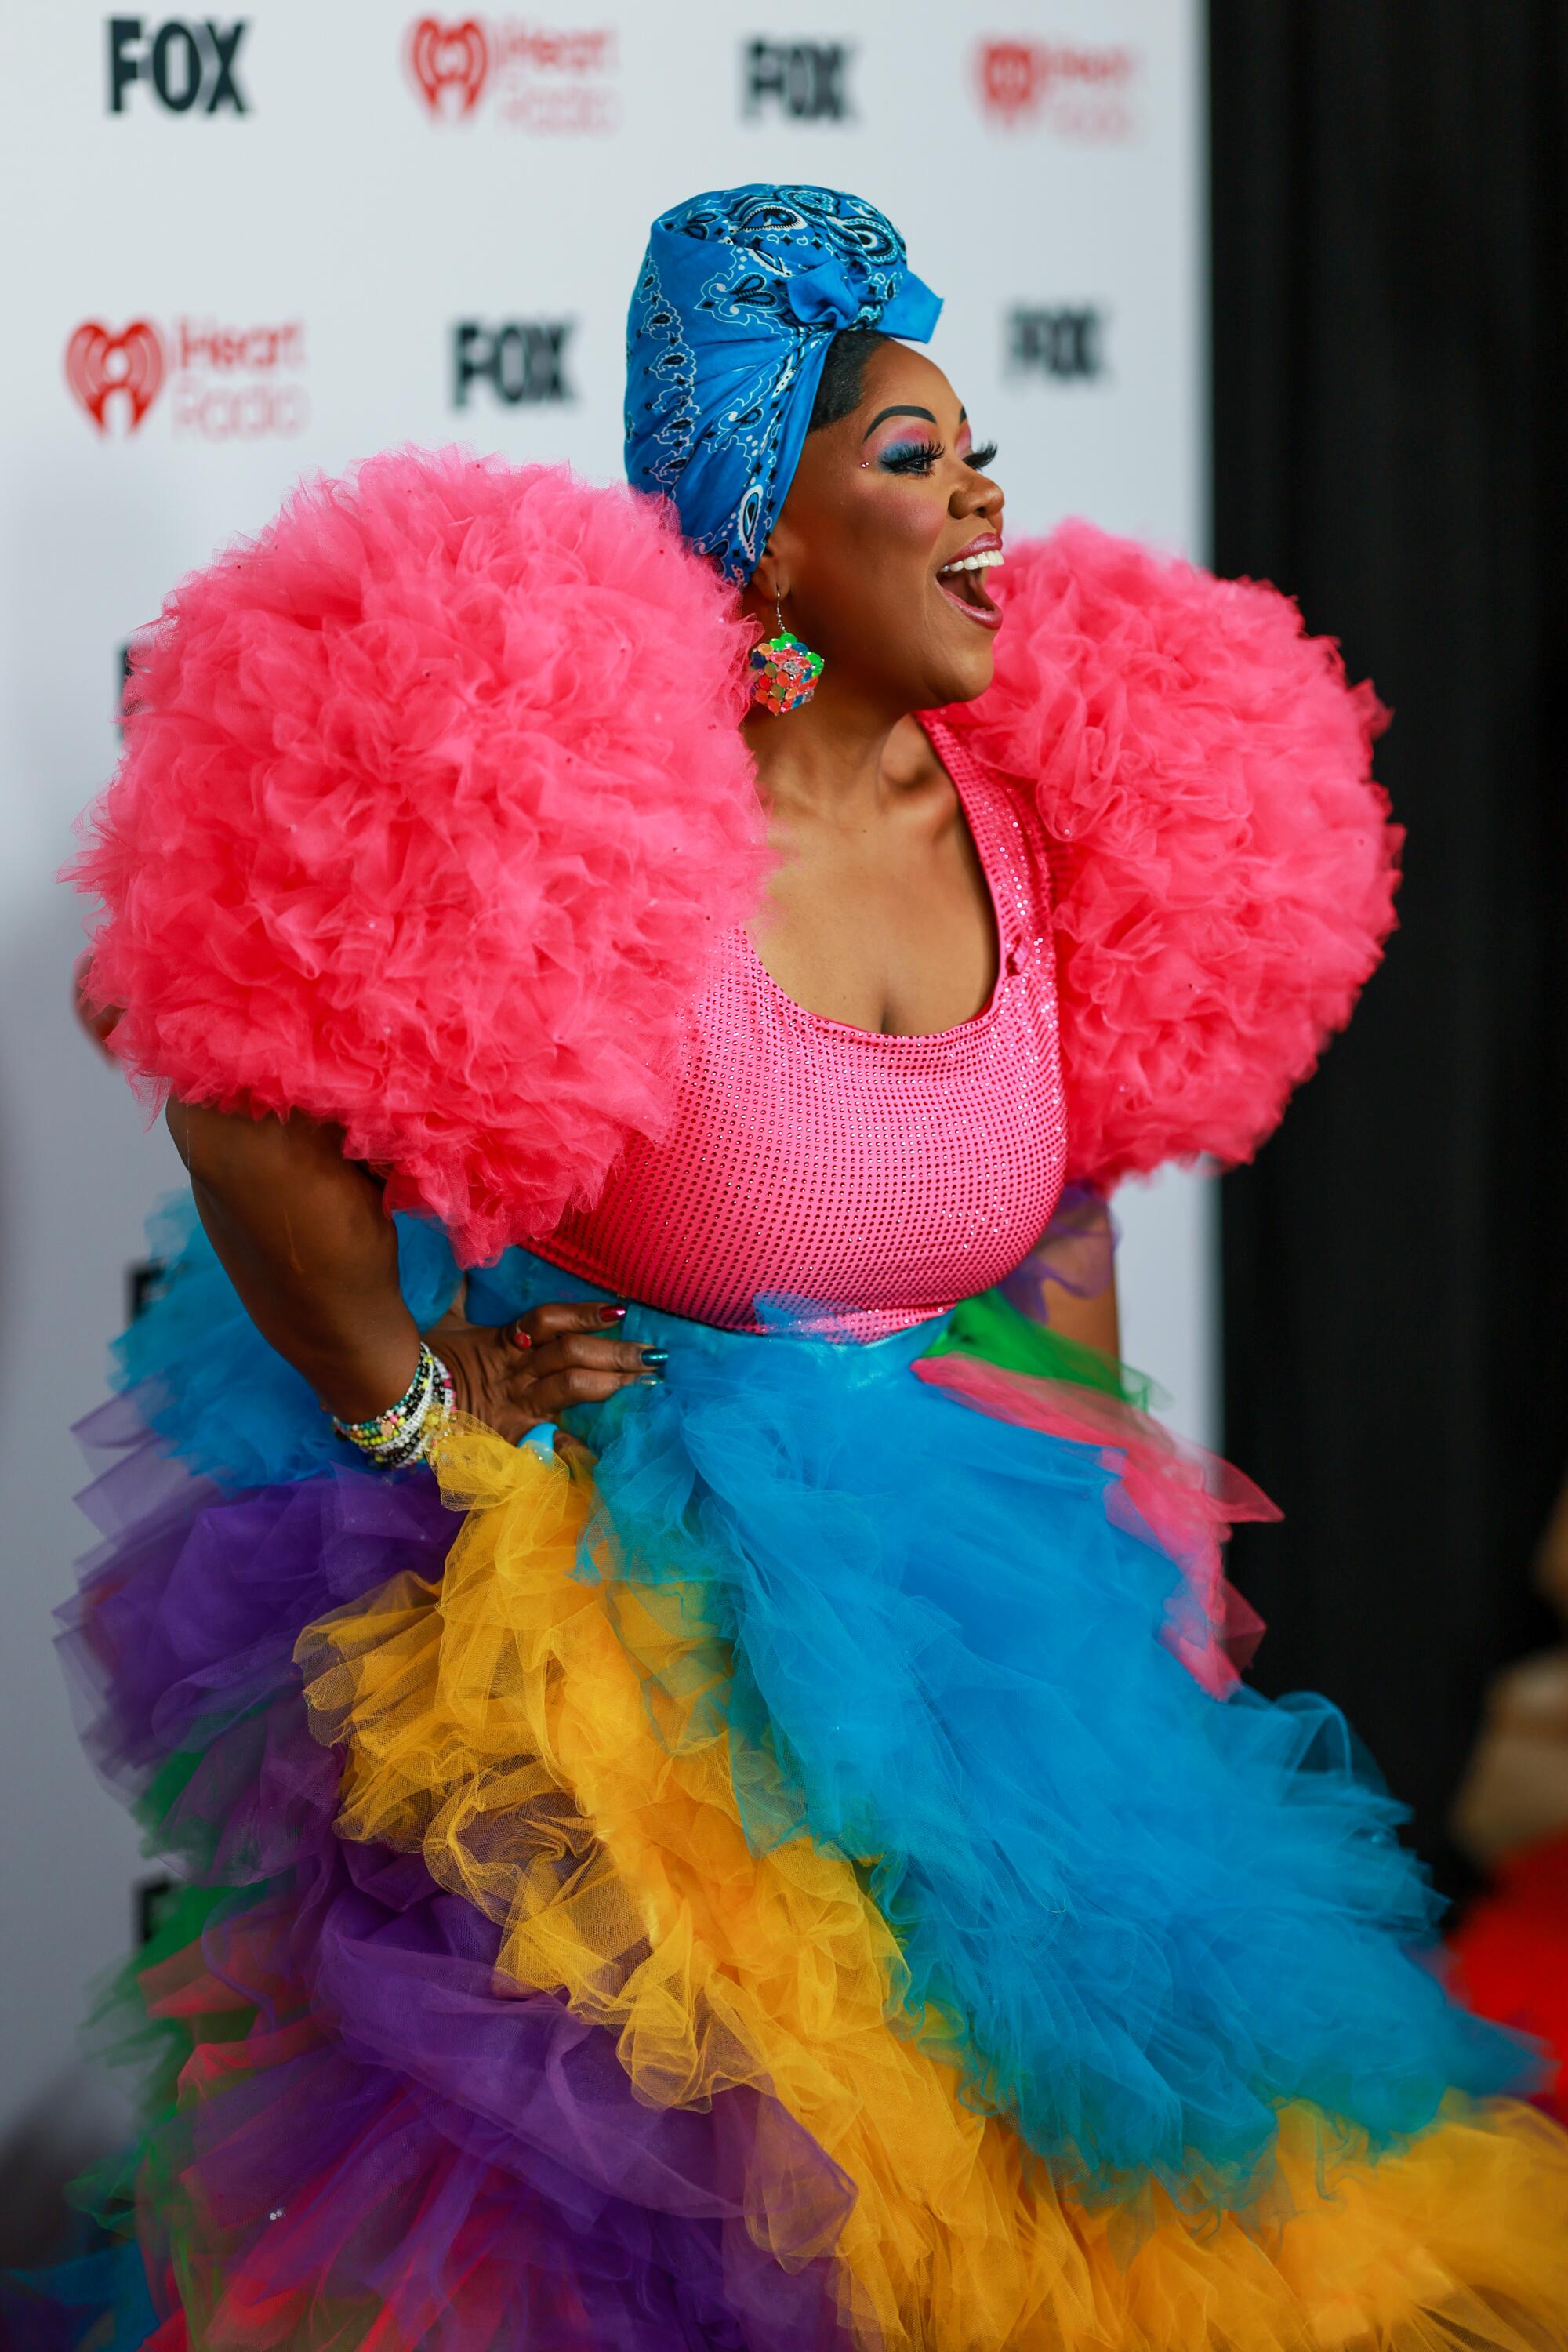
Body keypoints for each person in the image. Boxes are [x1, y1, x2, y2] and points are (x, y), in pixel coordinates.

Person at [22, 182, 1568, 2350]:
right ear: (767, 526)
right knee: (703, 2226)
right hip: (637, 1635)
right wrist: (412, 1392)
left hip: (972, 1616)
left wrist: (1117, 1582)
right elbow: (239, 1084)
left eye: (983, 457)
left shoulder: (1039, 816)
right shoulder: (594, 822)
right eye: (913, 461)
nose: (984, 504)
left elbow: (1066, 1218)